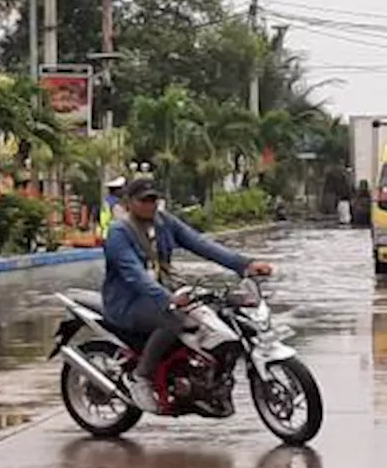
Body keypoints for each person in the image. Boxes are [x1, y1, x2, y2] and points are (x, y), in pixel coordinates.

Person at [103, 177, 272, 413]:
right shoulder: (119, 233)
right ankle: (140, 377)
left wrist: (244, 265)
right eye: (144, 200)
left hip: (161, 295)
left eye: (154, 199)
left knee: (212, 315)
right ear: (129, 202)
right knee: (173, 319)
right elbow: (133, 274)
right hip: (128, 303)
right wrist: (167, 298)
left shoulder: (164, 223)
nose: (151, 204)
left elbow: (201, 244)